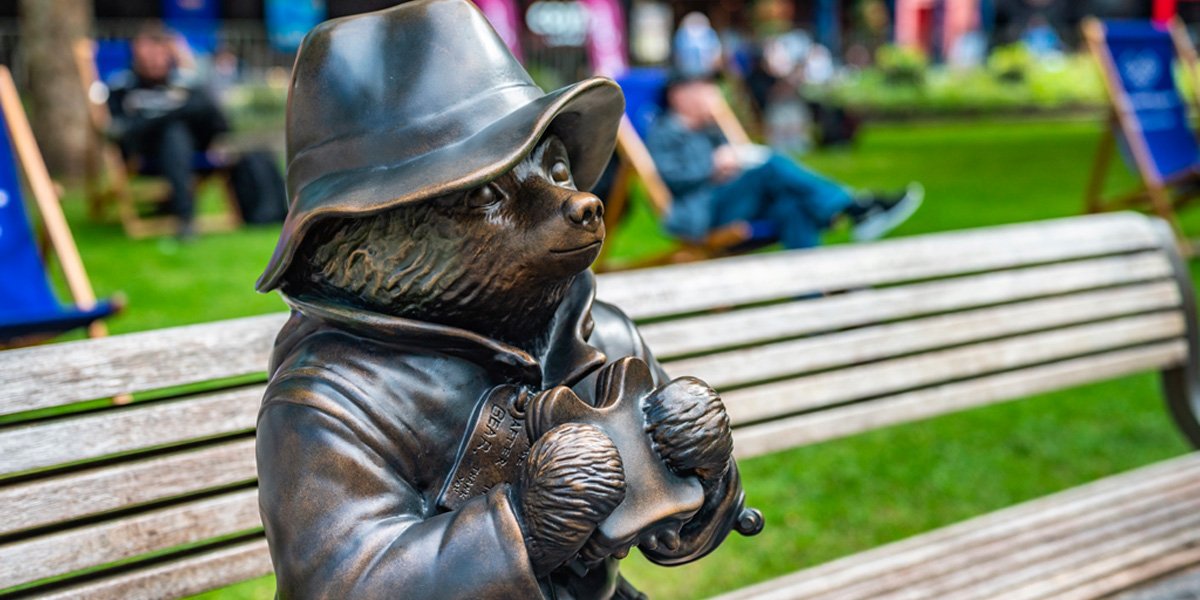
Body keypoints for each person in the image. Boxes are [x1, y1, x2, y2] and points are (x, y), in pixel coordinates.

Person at [645, 76, 921, 250]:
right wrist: (713, 166)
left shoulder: (709, 129)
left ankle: (812, 301)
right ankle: (855, 206)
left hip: (740, 199)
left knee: (792, 206)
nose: (712, 94)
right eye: (703, 89)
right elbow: (670, 178)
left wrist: (734, 158)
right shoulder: (664, 132)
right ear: (678, 95)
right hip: (704, 210)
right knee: (771, 165)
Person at [106, 21, 230, 239]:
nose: (154, 59)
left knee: (181, 124)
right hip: (145, 151)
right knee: (173, 132)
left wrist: (185, 65)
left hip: (190, 149)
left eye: (160, 52)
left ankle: (184, 216)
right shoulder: (121, 85)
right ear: (136, 53)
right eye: (147, 52)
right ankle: (185, 218)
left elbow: (217, 119)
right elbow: (120, 131)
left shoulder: (183, 82)